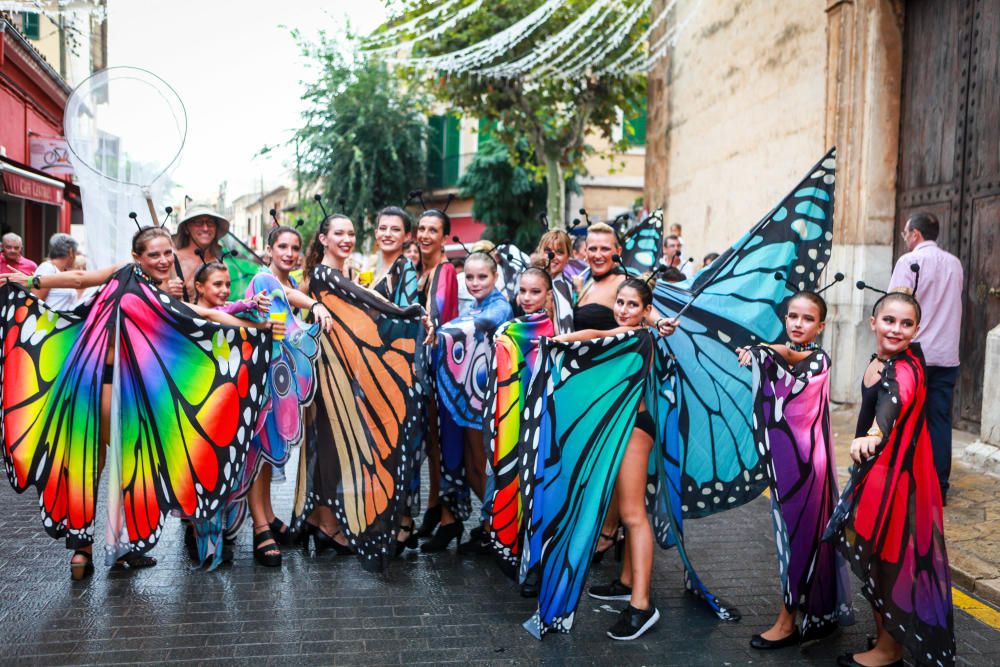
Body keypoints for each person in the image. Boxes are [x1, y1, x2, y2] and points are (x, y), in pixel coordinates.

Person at [0, 226, 275, 578]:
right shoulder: (152, 295)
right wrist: (256, 331)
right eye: (154, 254)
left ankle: (81, 552)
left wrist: (29, 284)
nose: (162, 260)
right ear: (138, 257)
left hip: (84, 387)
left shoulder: (126, 279)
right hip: (117, 391)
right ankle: (120, 548)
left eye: (165, 254)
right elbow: (203, 316)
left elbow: (81, 279)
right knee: (131, 467)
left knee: (88, 468)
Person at [824, 291, 955, 667]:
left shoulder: (905, 366)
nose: (896, 329)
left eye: (907, 324)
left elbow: (895, 399)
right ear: (873, 323)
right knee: (877, 556)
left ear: (917, 328)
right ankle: (888, 635)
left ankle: (888, 649)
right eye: (889, 321)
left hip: (897, 479)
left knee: (886, 560)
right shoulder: (880, 359)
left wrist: (874, 434)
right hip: (879, 473)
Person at [561, 277, 675, 640]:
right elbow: (597, 330)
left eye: (632, 305)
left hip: (634, 430)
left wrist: (555, 340)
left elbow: (593, 333)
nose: (623, 310)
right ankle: (627, 582)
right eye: (620, 302)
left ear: (645, 310)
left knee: (632, 515)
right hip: (622, 427)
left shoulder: (638, 336)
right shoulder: (637, 331)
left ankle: (642, 606)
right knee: (626, 509)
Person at [736, 291, 851, 649]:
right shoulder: (777, 355)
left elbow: (789, 355)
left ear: (821, 326)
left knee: (799, 541)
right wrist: (757, 353)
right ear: (785, 319)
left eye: (807, 318)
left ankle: (787, 622)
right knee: (794, 540)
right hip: (786, 466)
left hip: (808, 470)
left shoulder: (818, 359)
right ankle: (812, 614)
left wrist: (764, 350)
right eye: (793, 316)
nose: (798, 323)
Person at [424, 252, 513, 553]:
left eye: (482, 277)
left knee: (480, 465)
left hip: (485, 399)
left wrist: (443, 331)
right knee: (474, 464)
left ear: (495, 277)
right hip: (473, 396)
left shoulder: (499, 305)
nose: (475, 283)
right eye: (470, 277)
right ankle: (492, 525)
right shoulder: (476, 304)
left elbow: (487, 322)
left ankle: (499, 525)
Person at [889, 212, 963, 504]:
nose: (905, 239)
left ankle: (901, 480)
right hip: (947, 354)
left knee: (901, 416)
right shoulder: (955, 264)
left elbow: (895, 307)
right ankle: (939, 486)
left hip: (914, 354)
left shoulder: (908, 262)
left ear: (915, 234)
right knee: (939, 421)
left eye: (906, 233)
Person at [414, 210, 459, 540]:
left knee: (442, 441)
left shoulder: (445, 271)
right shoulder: (421, 269)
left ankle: (449, 517)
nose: (425, 235)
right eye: (421, 229)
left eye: (433, 230)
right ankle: (433, 505)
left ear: (444, 237)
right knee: (431, 440)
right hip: (422, 362)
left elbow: (439, 316)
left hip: (440, 362)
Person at [173, 205, 230, 302]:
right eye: (198, 223)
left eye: (210, 223)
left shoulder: (220, 264)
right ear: (186, 228)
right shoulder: (172, 260)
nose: (205, 228)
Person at [534, 229, 575, 333]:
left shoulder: (561, 286)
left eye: (560, 252)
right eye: (548, 250)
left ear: (568, 257)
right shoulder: (536, 281)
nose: (552, 257)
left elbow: (565, 334)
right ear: (540, 252)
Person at [32, 233, 80, 310]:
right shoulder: (47, 268)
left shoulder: (63, 270)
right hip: (48, 321)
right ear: (71, 252)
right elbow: (35, 299)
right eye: (76, 253)